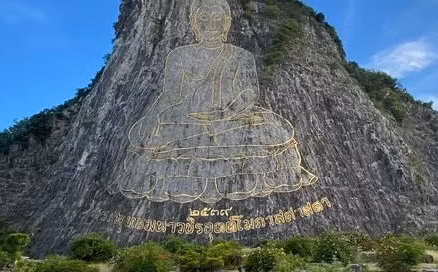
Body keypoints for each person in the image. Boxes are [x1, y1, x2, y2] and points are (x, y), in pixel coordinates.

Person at [110, 0, 316, 204]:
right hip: (188, 117)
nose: (211, 25)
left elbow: (249, 92)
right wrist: (151, 119)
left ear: (227, 22)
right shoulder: (179, 55)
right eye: (204, 18)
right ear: (194, 23)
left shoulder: (241, 55)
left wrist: (224, 114)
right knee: (167, 134)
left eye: (217, 18)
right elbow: (171, 94)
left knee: (271, 128)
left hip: (232, 117)